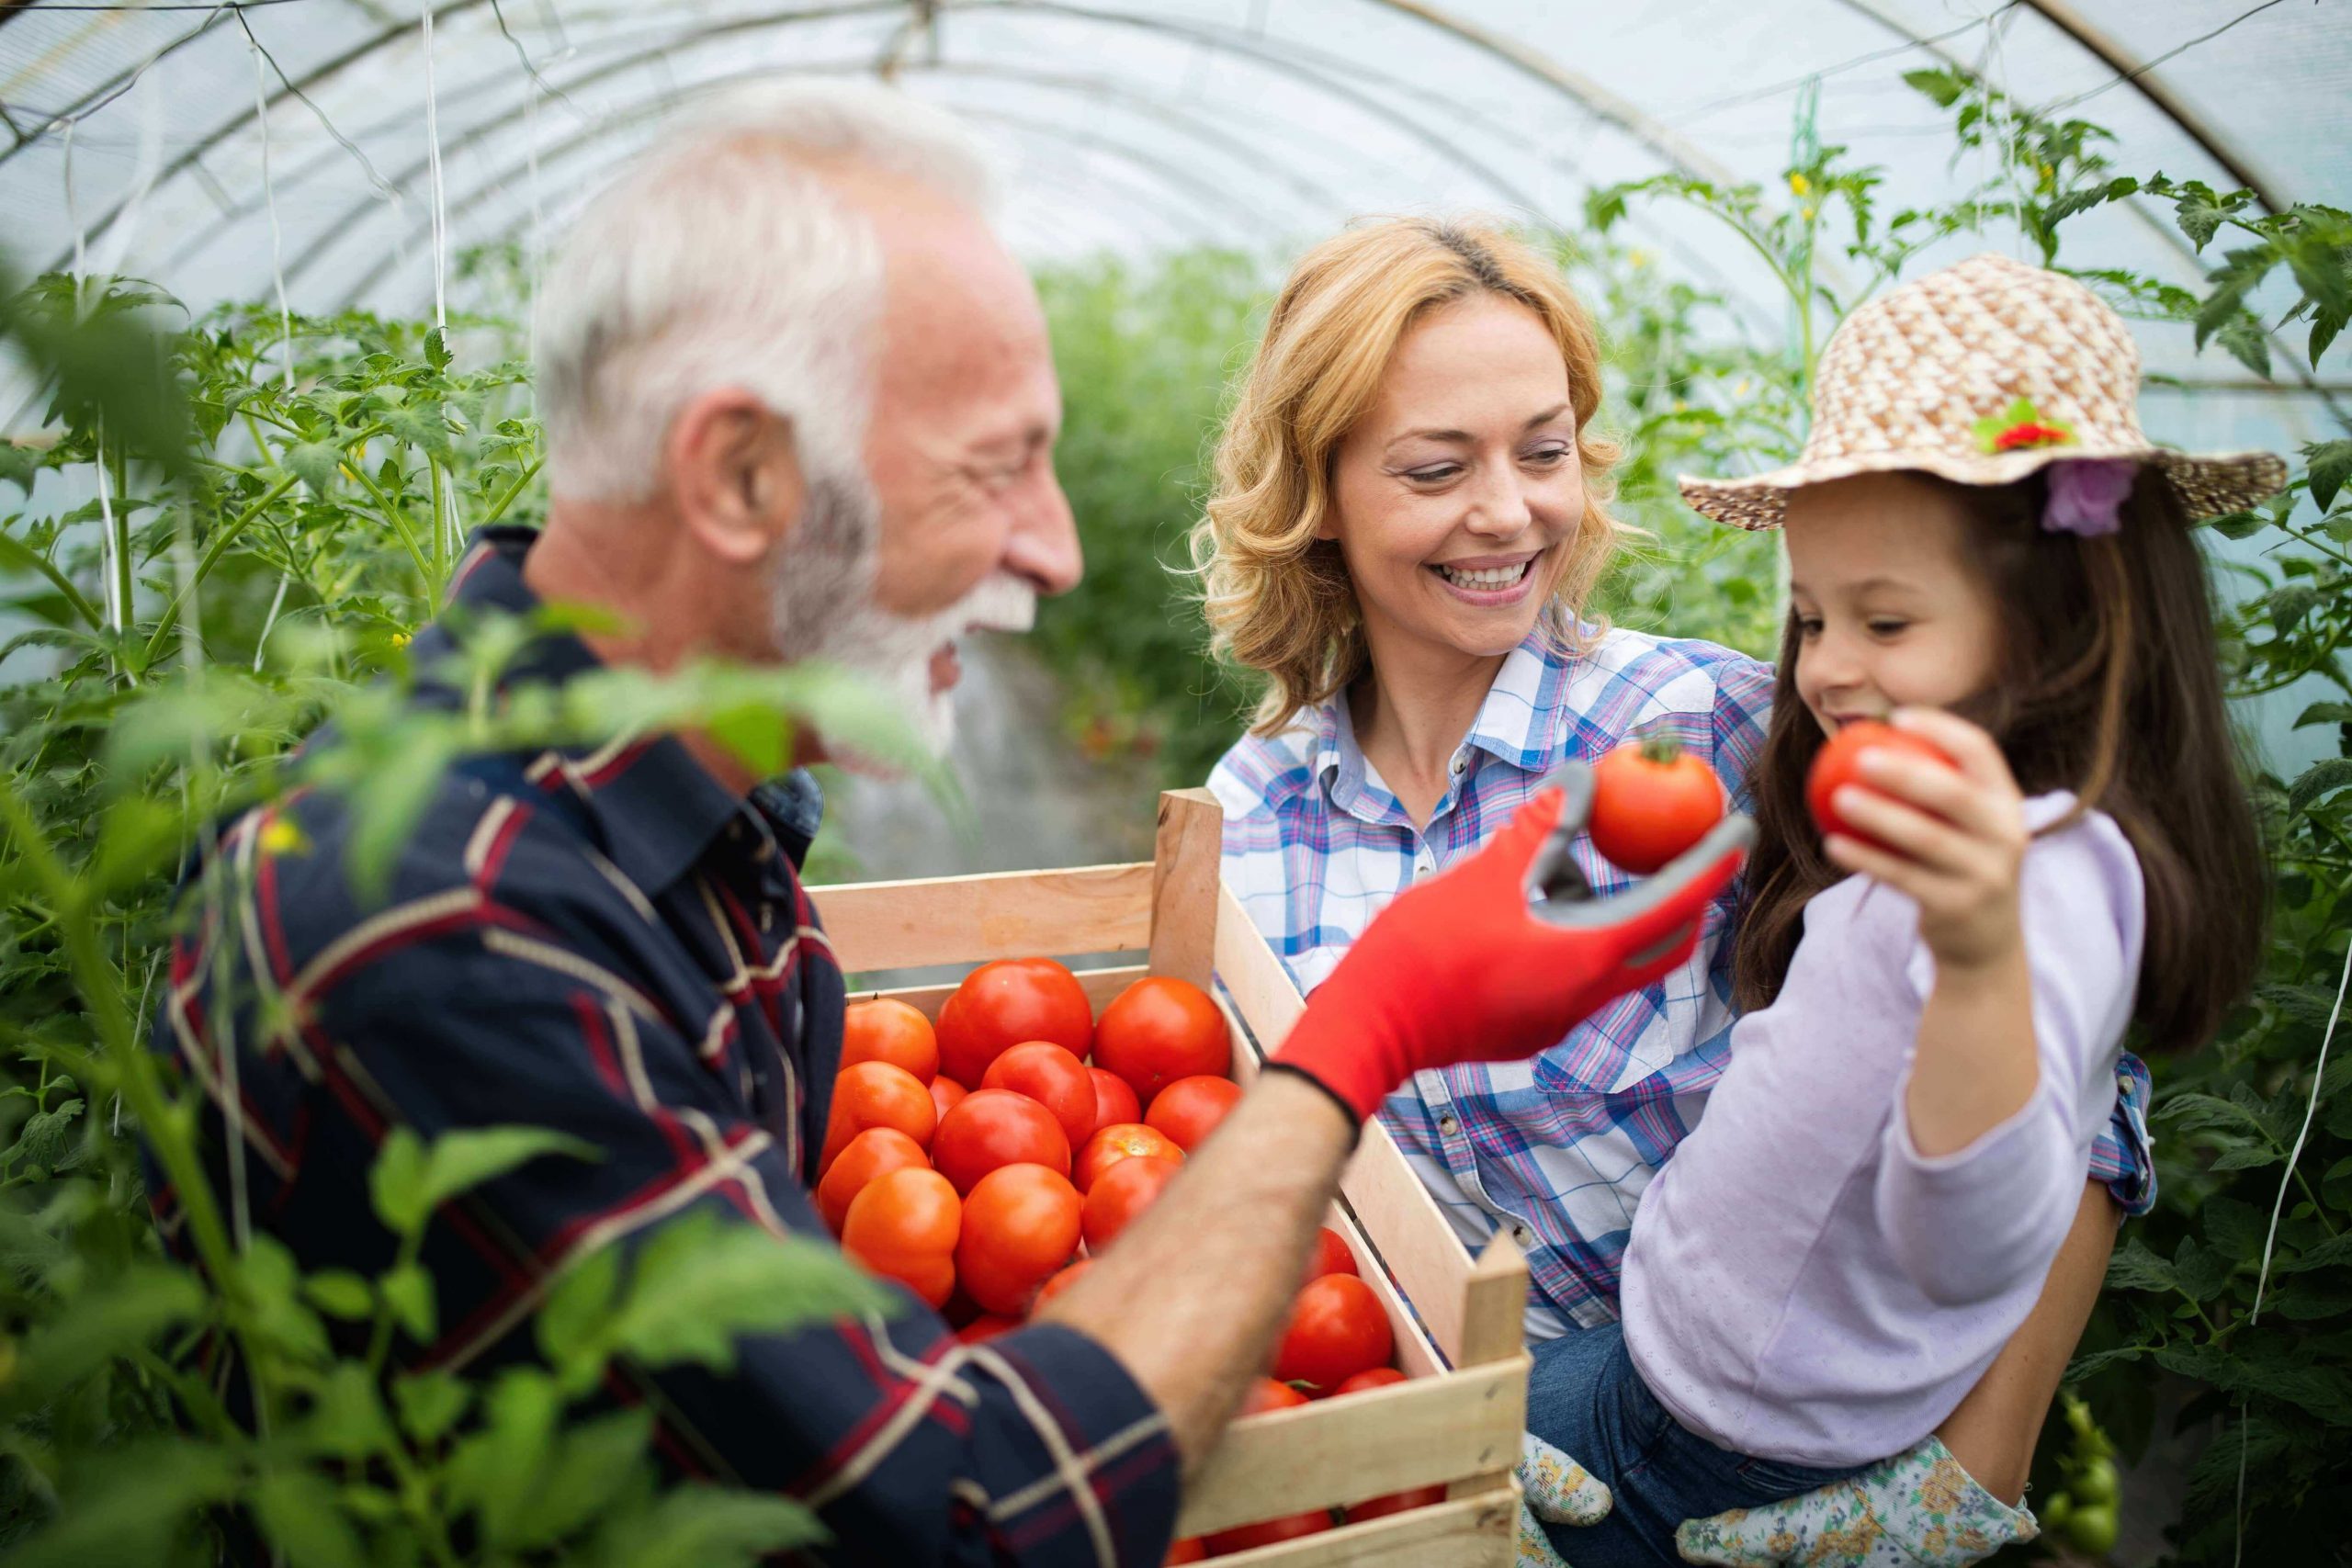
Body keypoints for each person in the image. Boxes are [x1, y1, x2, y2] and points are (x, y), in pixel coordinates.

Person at [143, 84, 1745, 1566]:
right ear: (744, 476)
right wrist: (1375, 1023)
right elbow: (957, 1516)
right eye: (995, 470)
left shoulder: (691, 839)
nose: (1052, 552)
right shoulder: (454, 939)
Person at [1196, 220, 2174, 1560]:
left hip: (1822, 1463)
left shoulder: (1718, 734)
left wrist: (1975, 1468)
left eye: (1543, 451)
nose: (1509, 512)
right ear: (1318, 493)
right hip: (1505, 1473)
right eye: (1436, 467)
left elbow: (2080, 1074)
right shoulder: (1252, 825)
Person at [1523, 253, 2278, 1565]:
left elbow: (1971, 1244)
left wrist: (1978, 957)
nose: (1825, 670)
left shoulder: (2030, 890)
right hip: (1674, 1368)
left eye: (1884, 620)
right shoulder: (1973, 828)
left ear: (2059, 627)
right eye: (1811, 617)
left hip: (1723, 1440)